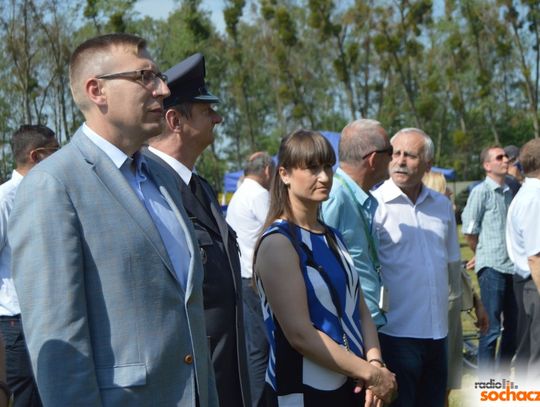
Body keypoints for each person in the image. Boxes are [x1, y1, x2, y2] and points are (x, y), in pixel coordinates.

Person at [9, 33, 217, 406]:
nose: (163, 89)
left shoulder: (161, 176)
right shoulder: (53, 186)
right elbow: (58, 345)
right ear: (97, 91)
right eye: (145, 77)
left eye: (159, 77)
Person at [254, 129, 397, 407]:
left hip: (352, 384)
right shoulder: (279, 243)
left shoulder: (333, 235)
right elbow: (300, 335)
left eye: (328, 167)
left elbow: (360, 309)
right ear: (284, 174)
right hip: (302, 391)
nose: (324, 177)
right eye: (312, 168)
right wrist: (371, 374)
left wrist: (375, 362)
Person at [145, 53, 251, 407]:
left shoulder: (199, 187)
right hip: (187, 385)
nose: (218, 118)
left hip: (225, 376)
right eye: (207, 111)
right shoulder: (147, 190)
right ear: (175, 120)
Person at [372, 128, 461, 407]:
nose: (400, 161)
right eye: (395, 153)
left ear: (428, 164)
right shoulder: (374, 205)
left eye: (410, 155)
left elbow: (451, 262)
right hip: (395, 333)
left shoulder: (441, 205)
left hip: (437, 333)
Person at [0, 124, 59, 407]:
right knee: (25, 398)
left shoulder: (51, 194)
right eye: (55, 151)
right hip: (16, 322)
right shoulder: (4, 199)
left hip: (49, 317)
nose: (62, 157)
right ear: (36, 155)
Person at [422, 170, 488, 406]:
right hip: (437, 318)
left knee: (448, 382)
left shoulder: (445, 225)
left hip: (452, 314)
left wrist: (477, 303)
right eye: (445, 188)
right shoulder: (427, 232)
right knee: (438, 383)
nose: (451, 192)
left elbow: (458, 271)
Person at [321, 119, 392, 328]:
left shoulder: (354, 196)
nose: (394, 158)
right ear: (373, 159)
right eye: (390, 151)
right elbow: (322, 264)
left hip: (365, 322)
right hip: (350, 326)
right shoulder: (335, 197)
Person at [461, 146, 517, 377]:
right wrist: (482, 253)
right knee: (491, 329)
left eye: (506, 156)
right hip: (492, 268)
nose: (505, 160)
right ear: (487, 165)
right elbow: (469, 230)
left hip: (512, 267)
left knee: (513, 328)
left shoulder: (509, 191)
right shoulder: (480, 192)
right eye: (499, 157)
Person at [226, 151, 273, 407]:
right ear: (267, 170)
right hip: (256, 279)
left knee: (254, 346)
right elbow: (276, 228)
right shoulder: (259, 195)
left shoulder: (240, 193)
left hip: (243, 276)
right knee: (261, 348)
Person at [505, 138, 540, 383]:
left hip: (528, 283)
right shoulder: (535, 198)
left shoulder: (528, 193)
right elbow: (535, 257)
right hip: (533, 283)